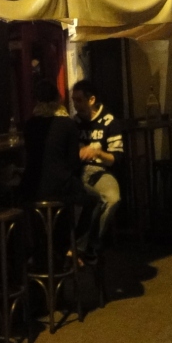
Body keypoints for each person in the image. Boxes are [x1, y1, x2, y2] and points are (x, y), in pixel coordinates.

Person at [19, 80, 94, 214]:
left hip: (32, 187)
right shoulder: (68, 124)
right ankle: (80, 228)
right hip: (60, 188)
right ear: (58, 99)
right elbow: (73, 163)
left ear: (37, 101)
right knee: (93, 198)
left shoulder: (29, 124)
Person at [71, 78, 124, 260]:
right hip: (78, 172)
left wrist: (97, 152)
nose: (75, 105)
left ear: (92, 99)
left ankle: (91, 243)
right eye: (74, 100)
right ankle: (81, 247)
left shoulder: (109, 122)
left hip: (100, 170)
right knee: (84, 200)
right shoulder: (74, 123)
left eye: (79, 100)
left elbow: (116, 158)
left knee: (112, 198)